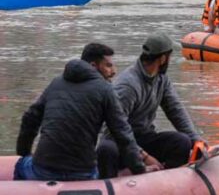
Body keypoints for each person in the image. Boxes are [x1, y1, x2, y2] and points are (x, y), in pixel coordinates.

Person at [15, 43, 146, 181]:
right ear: (94, 66)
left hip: (43, 168)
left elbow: (30, 118)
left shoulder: (56, 83)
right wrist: (139, 169)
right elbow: (123, 133)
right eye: (108, 66)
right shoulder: (106, 90)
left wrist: (24, 153)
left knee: (20, 164)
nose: (113, 71)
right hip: (82, 173)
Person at [97, 35, 206, 178]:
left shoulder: (161, 79)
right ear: (162, 59)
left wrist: (196, 139)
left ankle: (167, 183)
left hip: (144, 137)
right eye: (170, 56)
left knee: (181, 141)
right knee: (107, 148)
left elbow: (176, 110)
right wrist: (144, 157)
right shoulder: (128, 86)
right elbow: (113, 130)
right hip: (121, 143)